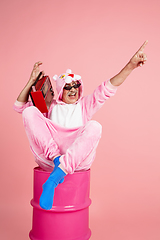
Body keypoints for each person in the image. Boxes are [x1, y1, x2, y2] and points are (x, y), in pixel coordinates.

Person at [13, 41, 148, 210]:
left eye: (76, 85)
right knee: (29, 112)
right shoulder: (50, 107)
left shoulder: (85, 105)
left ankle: (55, 177)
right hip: (49, 159)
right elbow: (19, 106)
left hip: (77, 162)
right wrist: (31, 81)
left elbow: (109, 87)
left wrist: (131, 65)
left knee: (95, 126)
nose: (73, 90)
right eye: (67, 87)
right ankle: (57, 163)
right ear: (60, 90)